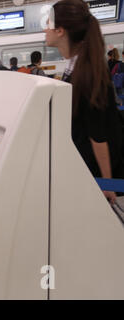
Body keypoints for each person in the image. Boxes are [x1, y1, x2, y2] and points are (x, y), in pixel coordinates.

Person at [45, 0, 123, 204]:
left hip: (95, 170)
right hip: (84, 164)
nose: (45, 29)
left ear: (60, 30)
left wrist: (107, 183)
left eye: (48, 23)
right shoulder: (75, 66)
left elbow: (97, 135)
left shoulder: (88, 74)